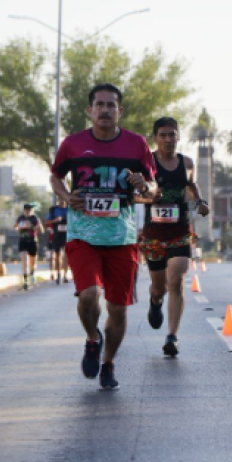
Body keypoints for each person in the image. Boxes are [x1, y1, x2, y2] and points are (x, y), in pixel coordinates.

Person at [50, 83, 156, 390]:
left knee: (117, 310)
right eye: (100, 105)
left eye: (111, 105)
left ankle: (108, 364)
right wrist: (66, 196)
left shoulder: (136, 145)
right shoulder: (73, 144)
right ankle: (93, 338)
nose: (105, 110)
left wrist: (143, 186)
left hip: (121, 238)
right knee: (88, 295)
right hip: (82, 234)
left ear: (119, 111)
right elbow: (55, 176)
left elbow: (153, 190)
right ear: (90, 110)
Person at [138, 117, 209, 358]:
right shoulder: (147, 164)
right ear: (155, 138)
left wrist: (199, 201)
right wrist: (149, 197)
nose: (168, 139)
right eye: (163, 135)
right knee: (160, 287)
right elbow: (135, 195)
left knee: (176, 281)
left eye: (172, 135)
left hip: (180, 232)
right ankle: (155, 300)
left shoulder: (186, 163)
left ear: (178, 136)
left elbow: (191, 184)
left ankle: (172, 336)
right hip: (154, 235)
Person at [14, 203, 44, 289]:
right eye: (26, 209)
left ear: (32, 210)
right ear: (24, 210)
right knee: (24, 261)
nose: (28, 211)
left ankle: (32, 274)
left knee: (32, 262)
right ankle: (25, 281)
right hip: (23, 241)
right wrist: (19, 228)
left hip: (32, 241)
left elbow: (41, 230)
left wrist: (32, 227)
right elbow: (15, 227)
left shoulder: (34, 218)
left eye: (29, 209)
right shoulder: (20, 218)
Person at [46, 199, 70, 285]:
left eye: (63, 199)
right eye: (60, 199)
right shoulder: (53, 210)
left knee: (66, 255)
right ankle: (58, 274)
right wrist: (55, 220)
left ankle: (65, 275)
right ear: (58, 200)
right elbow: (47, 221)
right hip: (57, 235)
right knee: (57, 256)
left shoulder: (70, 209)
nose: (62, 201)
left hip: (67, 235)